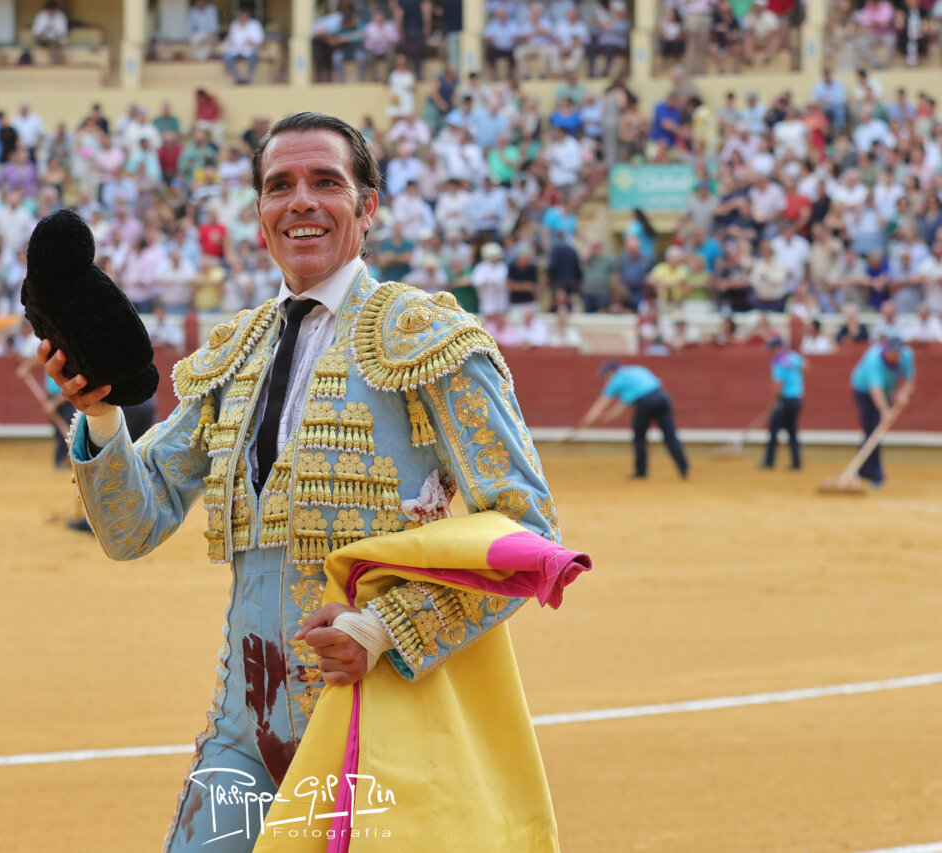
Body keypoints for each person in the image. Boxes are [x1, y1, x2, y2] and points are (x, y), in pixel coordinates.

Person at [39, 111, 576, 851]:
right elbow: (134, 524)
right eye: (279, 185)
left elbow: (527, 530)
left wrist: (386, 628)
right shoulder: (236, 351)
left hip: (377, 719)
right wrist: (101, 417)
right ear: (260, 213)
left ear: (367, 205)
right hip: (243, 731)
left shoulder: (428, 338)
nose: (301, 202)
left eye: (326, 181)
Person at [579, 360, 690, 480]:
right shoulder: (637, 369)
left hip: (645, 402)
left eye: (606, 376)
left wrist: (587, 421)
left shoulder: (616, 380)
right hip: (662, 397)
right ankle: (683, 467)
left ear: (611, 372)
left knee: (639, 437)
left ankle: (641, 472)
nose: (606, 380)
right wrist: (604, 419)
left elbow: (602, 404)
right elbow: (621, 407)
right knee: (670, 435)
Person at [849, 337, 915, 488]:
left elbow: (910, 380)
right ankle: (875, 474)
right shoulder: (873, 359)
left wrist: (904, 393)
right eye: (892, 353)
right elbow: (875, 389)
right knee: (872, 430)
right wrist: (885, 410)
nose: (894, 356)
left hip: (886, 392)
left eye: (897, 354)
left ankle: (862, 470)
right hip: (863, 391)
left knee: (874, 432)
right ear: (885, 350)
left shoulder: (907, 355)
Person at [761, 337, 806, 470]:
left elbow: (777, 385)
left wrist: (772, 404)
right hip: (796, 399)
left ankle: (769, 462)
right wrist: (794, 377)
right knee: (792, 431)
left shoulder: (778, 361)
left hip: (785, 400)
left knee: (774, 430)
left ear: (777, 348)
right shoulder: (793, 357)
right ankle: (796, 462)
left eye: (771, 349)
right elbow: (807, 367)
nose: (770, 352)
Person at [221, 6, 264, 85]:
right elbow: (231, 39)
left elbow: (259, 40)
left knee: (253, 58)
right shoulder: (234, 25)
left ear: (247, 17)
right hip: (236, 50)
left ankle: (248, 78)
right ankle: (238, 78)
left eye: (244, 17)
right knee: (227, 58)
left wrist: (251, 42)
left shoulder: (254, 24)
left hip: (250, 50)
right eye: (240, 17)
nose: (242, 19)